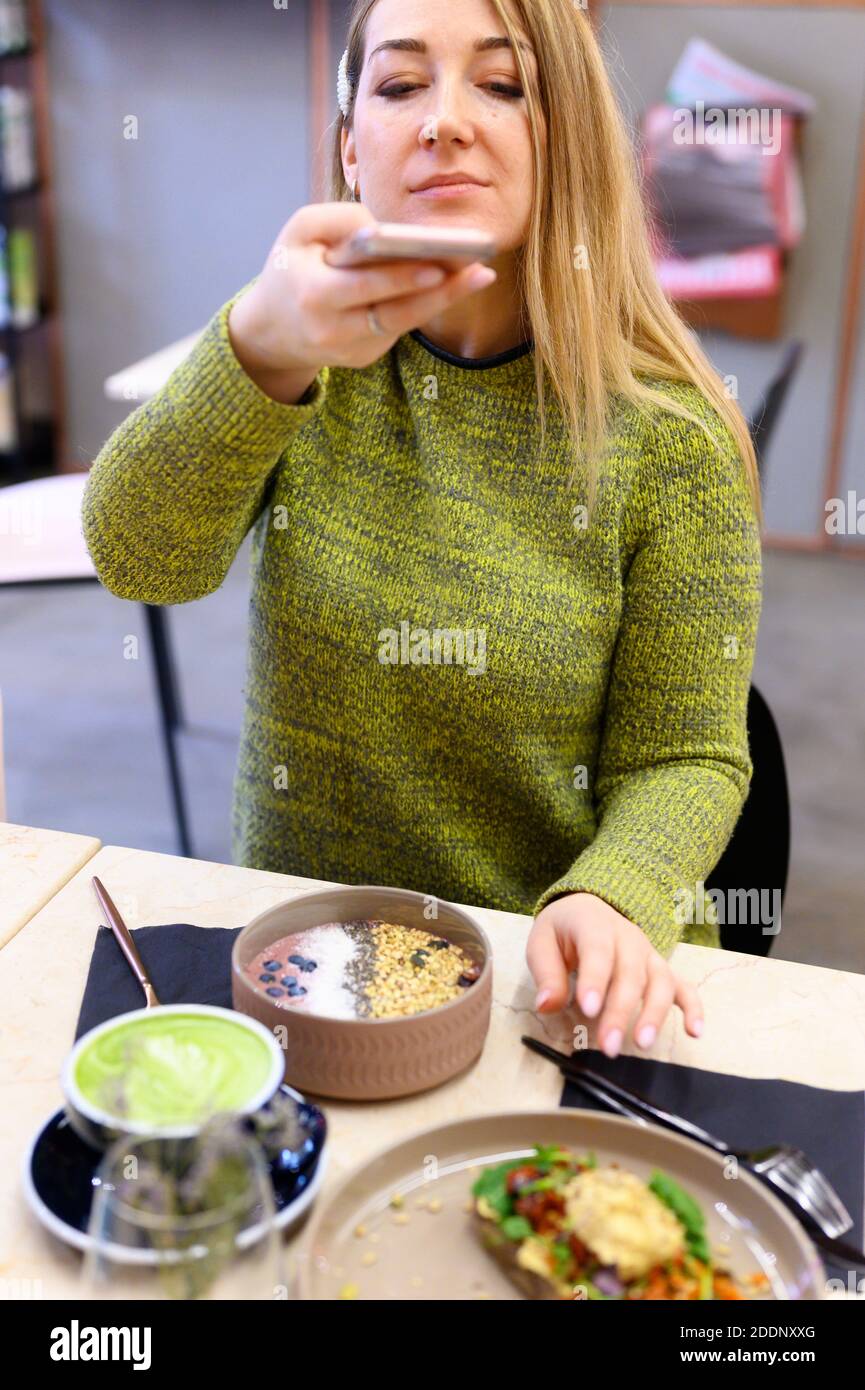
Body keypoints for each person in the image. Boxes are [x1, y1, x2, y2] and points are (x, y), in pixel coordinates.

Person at [82, 0, 763, 1059]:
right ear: (353, 150)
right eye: (399, 86)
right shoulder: (300, 353)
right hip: (306, 980)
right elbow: (139, 554)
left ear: (566, 133)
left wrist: (618, 895)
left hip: (543, 993)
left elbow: (687, 755)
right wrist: (256, 346)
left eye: (501, 84)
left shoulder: (672, 440)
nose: (444, 120)